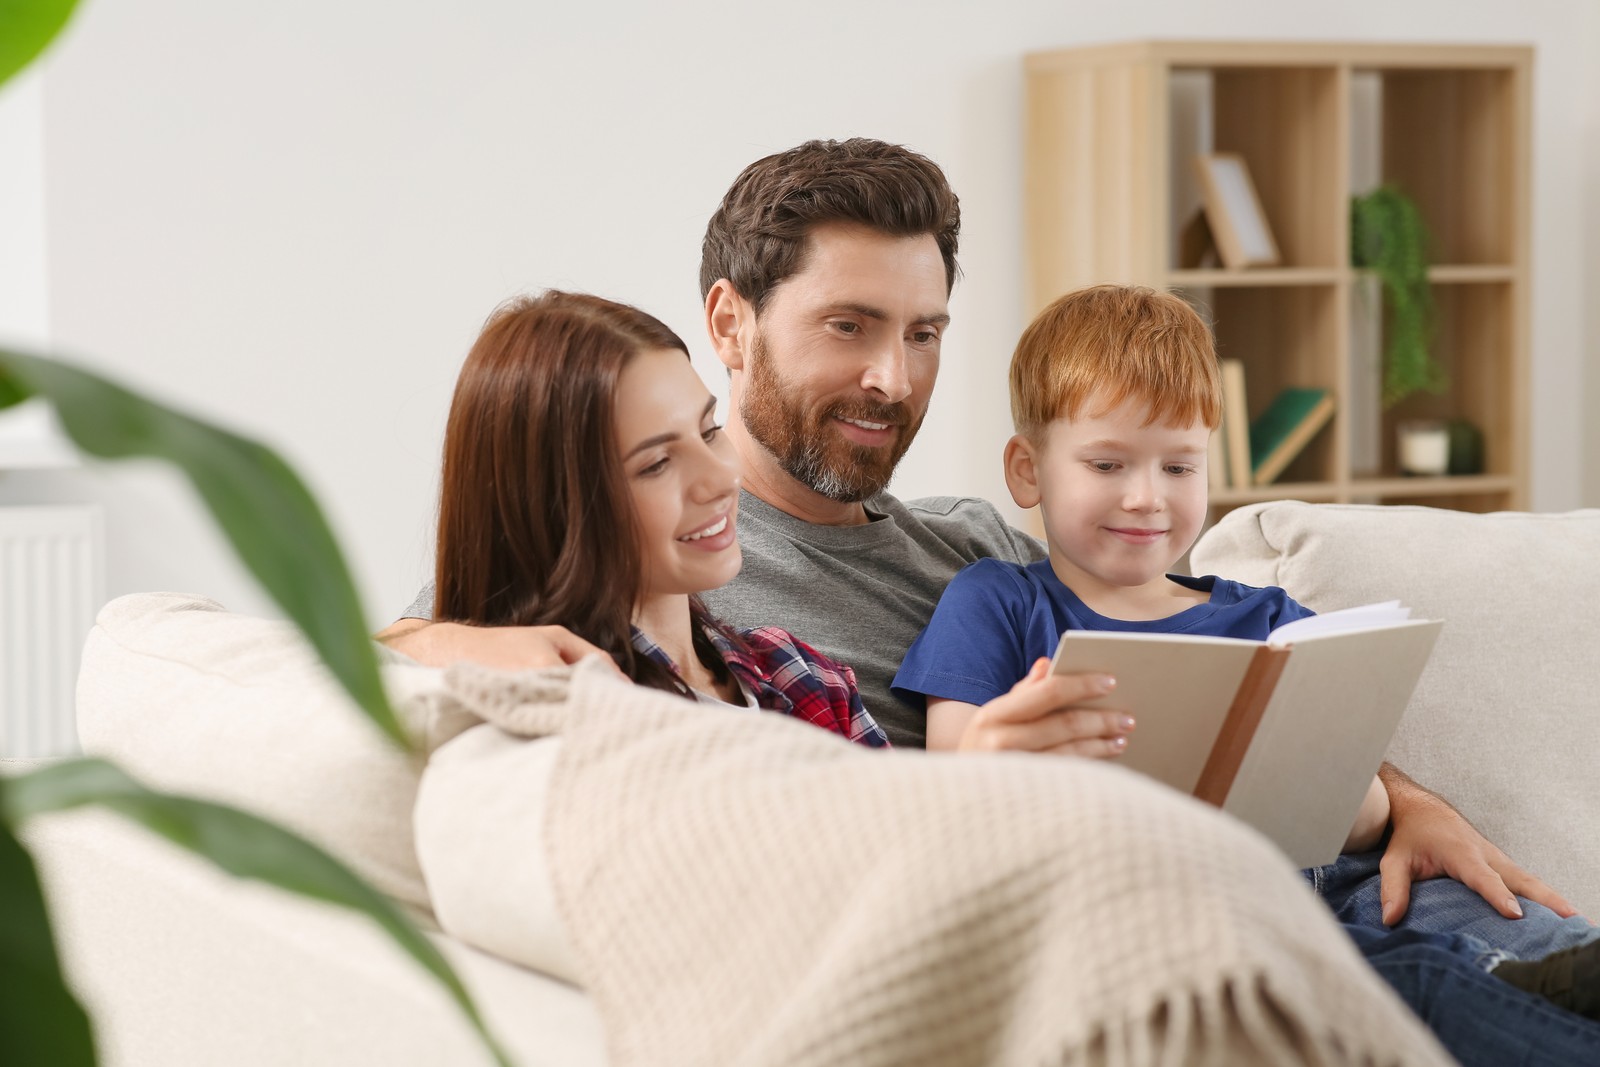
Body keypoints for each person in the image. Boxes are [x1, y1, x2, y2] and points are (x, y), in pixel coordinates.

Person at [380, 138, 1598, 1057]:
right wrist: (421, 630)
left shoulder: (974, 543)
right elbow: (432, 635)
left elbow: (1193, 624)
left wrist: (1406, 801)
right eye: (848, 326)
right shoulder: (648, 553)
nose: (890, 379)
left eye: (923, 333)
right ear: (729, 323)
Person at [889, 282, 1600, 1033]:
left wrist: (1350, 793)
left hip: (1357, 878)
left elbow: (1361, 819)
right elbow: (954, 776)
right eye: (1107, 465)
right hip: (1192, 898)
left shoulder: (1267, 616)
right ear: (1028, 469)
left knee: (1543, 940)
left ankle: (1542, 970)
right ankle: (1508, 989)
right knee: (1418, 979)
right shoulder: (996, 601)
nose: (1146, 498)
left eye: (1178, 466)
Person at [428, 288, 889, 747]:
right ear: (550, 503)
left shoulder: (802, 675)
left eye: (709, 431)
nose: (722, 478)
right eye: (656, 464)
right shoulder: (551, 711)